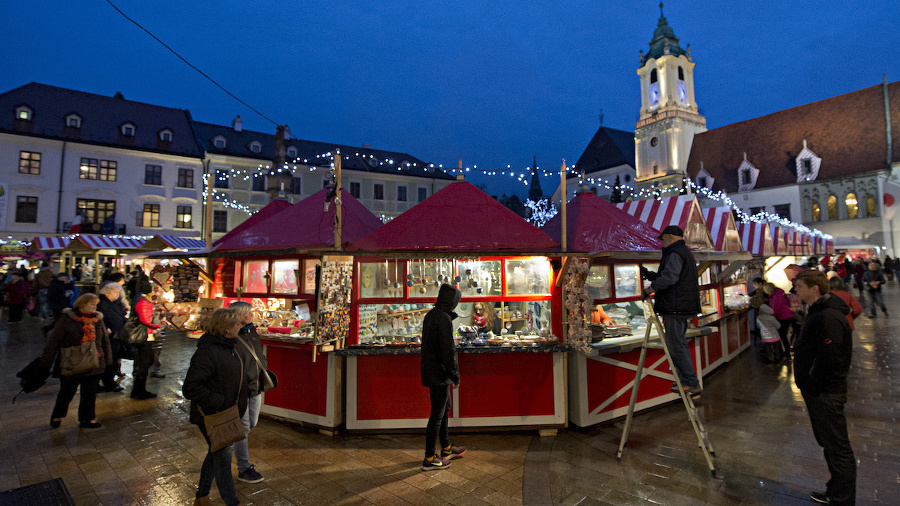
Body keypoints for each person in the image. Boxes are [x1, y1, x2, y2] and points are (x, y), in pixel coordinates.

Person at [792, 269, 856, 505]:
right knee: (829, 444)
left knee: (838, 447)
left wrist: (812, 384)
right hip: (821, 390)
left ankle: (843, 499)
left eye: (799, 286)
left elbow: (831, 358)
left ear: (814, 288)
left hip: (826, 392)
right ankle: (835, 490)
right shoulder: (821, 312)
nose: (795, 290)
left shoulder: (827, 316)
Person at [183, 308, 247, 506]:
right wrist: (218, 401)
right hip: (212, 414)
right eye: (238, 324)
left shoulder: (230, 345)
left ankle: (202, 496)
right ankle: (231, 501)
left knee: (216, 452)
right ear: (227, 329)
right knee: (223, 458)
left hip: (227, 411)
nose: (241, 327)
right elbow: (191, 388)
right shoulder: (208, 351)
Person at [641, 225, 702, 395]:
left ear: (672, 236)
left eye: (664, 237)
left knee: (676, 344)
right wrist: (652, 275)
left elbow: (670, 278)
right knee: (677, 343)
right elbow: (673, 276)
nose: (662, 241)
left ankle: (689, 381)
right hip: (681, 306)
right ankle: (685, 380)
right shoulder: (682, 252)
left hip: (675, 307)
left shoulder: (675, 253)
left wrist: (650, 289)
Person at [41, 293, 112, 429]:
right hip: (72, 362)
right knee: (67, 391)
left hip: (93, 361)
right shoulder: (67, 319)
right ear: (82, 304)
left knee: (90, 393)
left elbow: (105, 341)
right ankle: (57, 415)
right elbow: (54, 341)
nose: (95, 307)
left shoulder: (98, 319)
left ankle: (88, 418)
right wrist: (46, 361)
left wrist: (107, 359)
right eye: (92, 304)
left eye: (96, 304)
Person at [420, 283, 467, 470]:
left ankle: (446, 447)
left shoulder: (432, 315)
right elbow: (448, 352)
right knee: (437, 415)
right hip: (439, 373)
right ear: (452, 302)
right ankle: (430, 457)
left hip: (432, 371)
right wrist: (455, 376)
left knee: (443, 408)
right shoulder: (443, 319)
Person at [228, 301, 269, 484]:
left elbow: (258, 354)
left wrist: (263, 366)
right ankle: (244, 467)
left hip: (256, 386)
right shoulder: (232, 336)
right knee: (243, 428)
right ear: (239, 315)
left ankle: (228, 444)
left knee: (252, 423)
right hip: (241, 389)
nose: (251, 315)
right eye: (248, 313)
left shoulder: (252, 331)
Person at [131, 276, 160, 399]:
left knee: (145, 362)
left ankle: (139, 390)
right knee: (145, 362)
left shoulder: (141, 301)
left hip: (147, 336)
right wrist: (159, 325)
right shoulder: (144, 303)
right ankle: (139, 391)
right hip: (145, 337)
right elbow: (146, 320)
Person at [98, 282, 127, 393]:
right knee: (109, 359)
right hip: (108, 337)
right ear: (107, 293)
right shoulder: (102, 303)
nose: (117, 295)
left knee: (113, 358)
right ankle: (108, 383)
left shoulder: (114, 303)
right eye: (115, 292)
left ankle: (109, 381)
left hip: (116, 334)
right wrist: (106, 328)